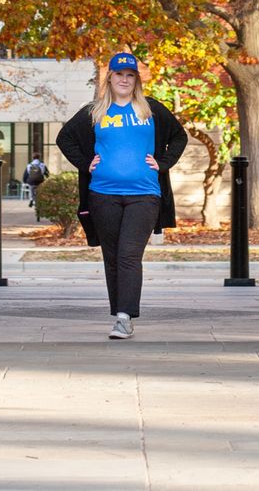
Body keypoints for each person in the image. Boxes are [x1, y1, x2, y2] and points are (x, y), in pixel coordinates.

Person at [56, 52, 187, 340]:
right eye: (119, 74)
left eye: (130, 75)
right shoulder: (95, 111)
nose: (124, 79)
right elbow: (64, 137)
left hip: (145, 195)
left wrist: (163, 163)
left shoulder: (150, 110)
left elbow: (179, 136)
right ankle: (120, 314)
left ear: (136, 80)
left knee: (128, 255)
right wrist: (85, 162)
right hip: (103, 195)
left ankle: (125, 318)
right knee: (113, 257)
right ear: (110, 78)